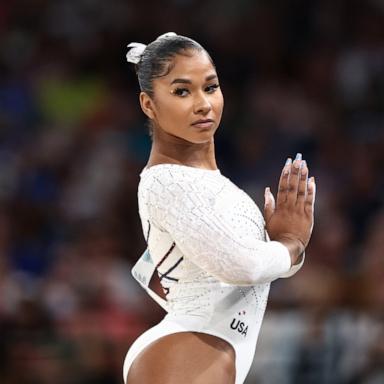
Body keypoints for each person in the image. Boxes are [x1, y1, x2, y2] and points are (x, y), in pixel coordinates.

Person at [123, 32, 316, 384]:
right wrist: (289, 245)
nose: (203, 104)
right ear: (149, 105)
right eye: (182, 91)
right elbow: (241, 265)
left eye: (210, 87)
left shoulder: (209, 184)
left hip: (204, 345)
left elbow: (153, 275)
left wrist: (278, 250)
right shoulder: (167, 180)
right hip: (189, 347)